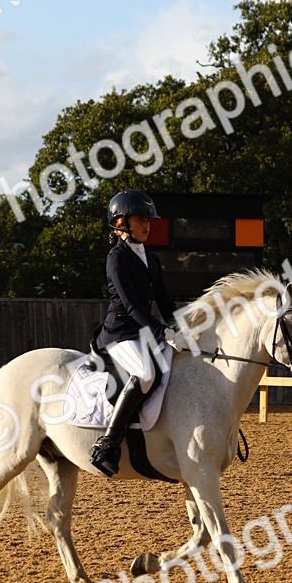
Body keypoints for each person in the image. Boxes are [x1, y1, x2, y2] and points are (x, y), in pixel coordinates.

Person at [89, 189, 180, 477]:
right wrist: (160, 329)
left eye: (148, 220)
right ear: (121, 223)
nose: (147, 224)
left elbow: (165, 302)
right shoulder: (117, 258)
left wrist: (179, 327)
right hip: (120, 333)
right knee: (145, 374)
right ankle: (107, 443)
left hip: (144, 333)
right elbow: (130, 305)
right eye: (141, 219)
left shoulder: (151, 260)